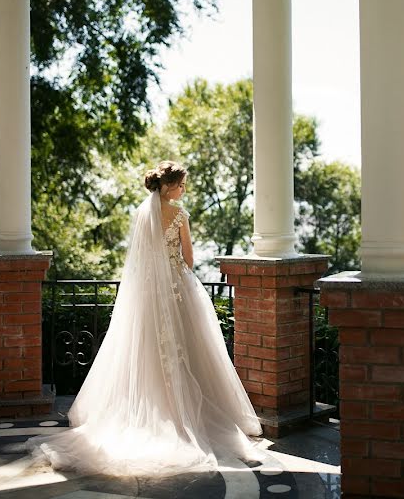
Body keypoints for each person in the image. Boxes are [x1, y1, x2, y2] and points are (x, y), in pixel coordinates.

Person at [27, 161, 263, 475]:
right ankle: (184, 417)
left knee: (146, 353)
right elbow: (189, 259)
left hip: (146, 295)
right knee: (188, 350)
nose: (184, 190)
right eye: (181, 185)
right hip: (177, 290)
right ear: (170, 186)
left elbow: (138, 260)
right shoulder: (179, 214)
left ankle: (155, 411)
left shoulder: (141, 214)